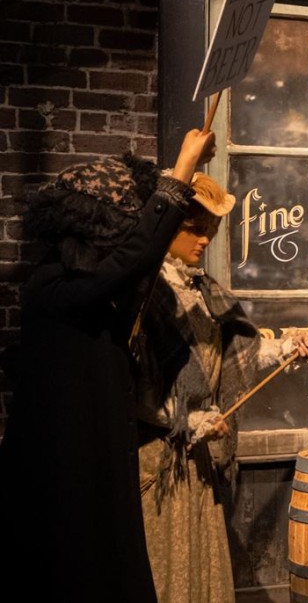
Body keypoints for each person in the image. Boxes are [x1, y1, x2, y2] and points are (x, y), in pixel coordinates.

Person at [0, 130, 215, 601]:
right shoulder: (53, 285)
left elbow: (133, 263)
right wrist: (178, 173)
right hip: (64, 478)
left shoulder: (92, 289)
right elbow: (132, 259)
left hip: (95, 462)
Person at [133, 172, 308, 603]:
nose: (204, 241)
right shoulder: (147, 294)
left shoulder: (204, 290)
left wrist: (290, 347)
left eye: (210, 232)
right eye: (194, 230)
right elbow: (133, 384)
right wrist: (192, 420)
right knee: (166, 568)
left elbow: (240, 354)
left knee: (203, 567)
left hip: (199, 461)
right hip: (159, 462)